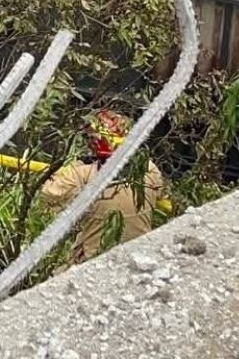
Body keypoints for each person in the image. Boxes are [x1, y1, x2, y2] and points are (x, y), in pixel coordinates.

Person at [40, 110, 165, 269]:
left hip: (93, 263)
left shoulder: (83, 175)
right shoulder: (149, 169)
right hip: (139, 259)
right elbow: (159, 191)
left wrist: (77, 164)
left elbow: (48, 194)